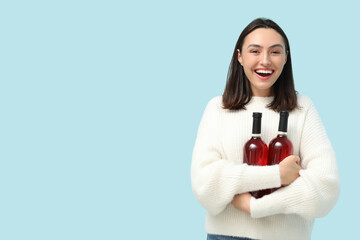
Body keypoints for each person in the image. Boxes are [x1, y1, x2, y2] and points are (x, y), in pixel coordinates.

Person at [191, 18, 340, 240]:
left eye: (275, 52)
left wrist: (255, 207)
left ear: (286, 57)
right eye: (255, 51)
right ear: (239, 56)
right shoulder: (217, 108)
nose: (265, 61)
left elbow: (326, 188)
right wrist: (278, 175)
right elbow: (206, 184)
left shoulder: (303, 108)